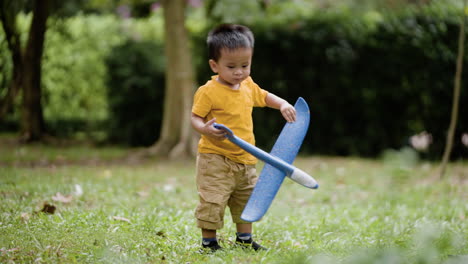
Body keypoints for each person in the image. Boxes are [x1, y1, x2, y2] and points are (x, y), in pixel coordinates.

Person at [191, 23, 297, 252]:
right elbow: (195, 118)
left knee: (246, 200)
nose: (239, 72)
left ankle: (244, 241)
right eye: (231, 66)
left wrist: (282, 104)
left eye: (245, 65)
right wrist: (205, 129)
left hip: (246, 159)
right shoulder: (208, 91)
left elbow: (265, 96)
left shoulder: (247, 85)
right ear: (214, 64)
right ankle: (209, 243)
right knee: (213, 200)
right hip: (215, 159)